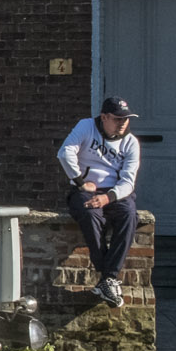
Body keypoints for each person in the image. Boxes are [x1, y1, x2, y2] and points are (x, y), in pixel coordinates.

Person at [57, 96, 143, 308]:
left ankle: (109, 278)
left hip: (115, 192)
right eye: (117, 119)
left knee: (129, 214)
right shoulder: (86, 126)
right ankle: (107, 277)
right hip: (86, 188)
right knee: (90, 214)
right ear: (104, 117)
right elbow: (65, 153)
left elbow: (128, 182)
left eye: (126, 119)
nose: (123, 123)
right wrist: (79, 182)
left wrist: (108, 197)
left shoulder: (131, 143)